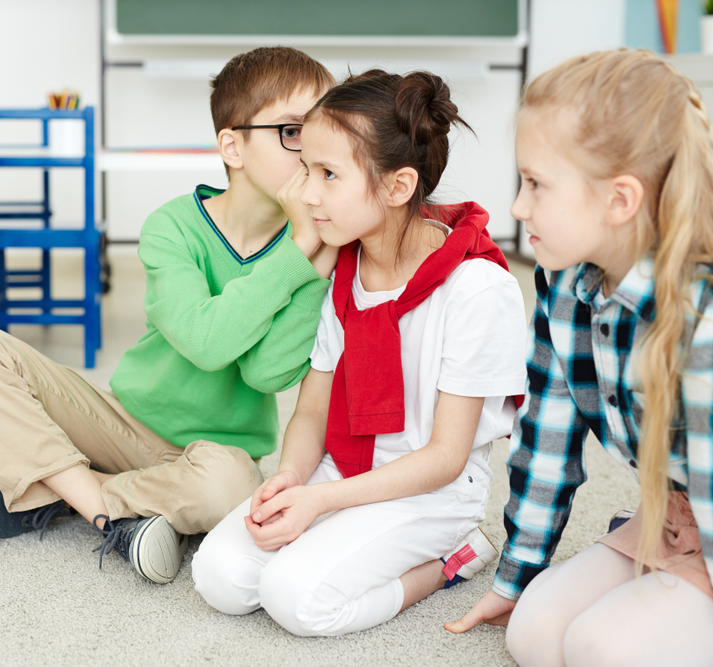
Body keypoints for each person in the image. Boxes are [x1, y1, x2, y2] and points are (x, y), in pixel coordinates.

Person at [0, 47, 338, 585]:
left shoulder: (318, 249)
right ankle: (113, 511)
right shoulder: (172, 226)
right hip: (119, 423)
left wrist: (311, 262)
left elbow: (266, 374)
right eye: (292, 131)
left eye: (320, 132)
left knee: (232, 493)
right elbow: (205, 340)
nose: (310, 150)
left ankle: (62, 496)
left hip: (219, 453)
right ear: (232, 146)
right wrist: (295, 257)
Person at [191, 69, 528, 636]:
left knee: (297, 600)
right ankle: (328, 514)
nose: (305, 193)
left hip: (434, 491)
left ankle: (453, 559)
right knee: (220, 578)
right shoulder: (341, 267)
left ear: (398, 188)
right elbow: (313, 410)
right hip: (343, 466)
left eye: (327, 174)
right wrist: (294, 478)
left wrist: (322, 502)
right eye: (305, 169)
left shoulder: (477, 288)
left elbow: (446, 457)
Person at [446, 49, 713, 666]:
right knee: (533, 633)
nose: (517, 206)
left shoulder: (700, 317)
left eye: (536, 184)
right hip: (679, 512)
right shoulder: (563, 285)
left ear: (620, 200)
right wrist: (517, 574)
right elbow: (548, 437)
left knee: (602, 649)